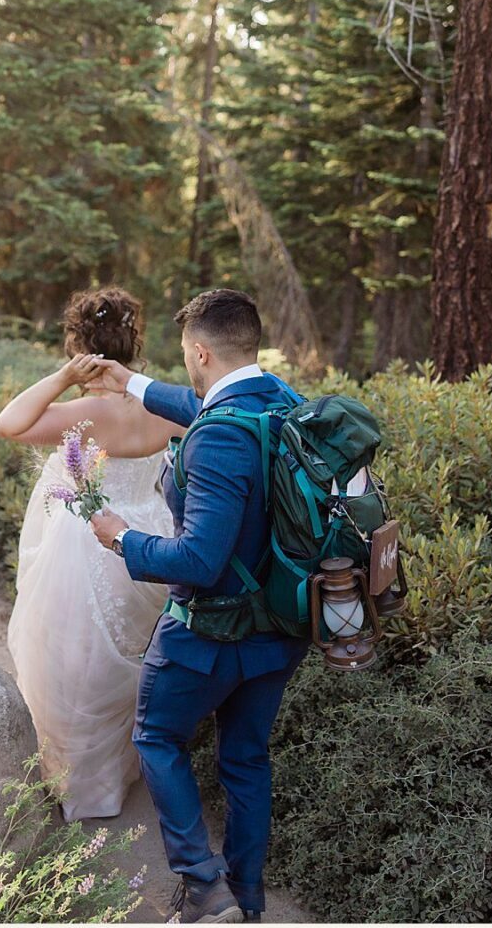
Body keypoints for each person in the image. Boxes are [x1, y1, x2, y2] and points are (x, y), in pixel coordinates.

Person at [87, 288, 309, 925]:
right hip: (281, 631)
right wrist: (132, 382)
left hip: (208, 634)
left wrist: (122, 538)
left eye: (188, 357)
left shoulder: (215, 440)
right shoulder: (286, 404)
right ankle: (249, 898)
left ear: (202, 351)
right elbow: (201, 404)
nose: (188, 368)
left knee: (156, 737)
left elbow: (198, 561)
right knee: (246, 757)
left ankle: (206, 892)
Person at [0, 287, 182, 822]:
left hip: (88, 544)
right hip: (151, 536)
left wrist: (61, 378)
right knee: (132, 660)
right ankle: (127, 769)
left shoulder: (80, 411)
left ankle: (80, 786)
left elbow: (6, 424)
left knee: (72, 668)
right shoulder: (162, 405)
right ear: (133, 342)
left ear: (76, 344)